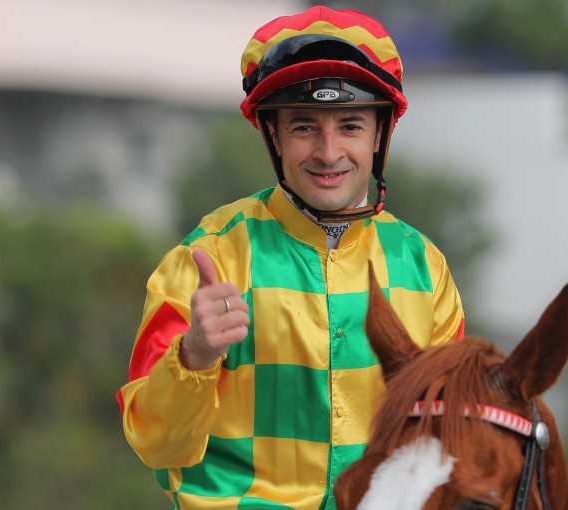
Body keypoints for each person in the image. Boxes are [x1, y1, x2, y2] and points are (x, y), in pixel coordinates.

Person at [117, 5, 465, 509]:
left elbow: (448, 445)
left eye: (349, 125)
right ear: (273, 135)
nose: (328, 152)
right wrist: (194, 355)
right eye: (304, 127)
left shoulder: (424, 268)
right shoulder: (206, 256)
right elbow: (154, 445)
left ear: (378, 135)